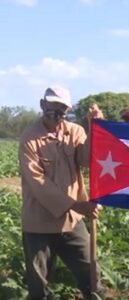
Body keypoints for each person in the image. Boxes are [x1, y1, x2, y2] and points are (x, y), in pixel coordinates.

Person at [19, 85, 104, 300]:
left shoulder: (75, 131)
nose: (56, 111)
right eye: (52, 105)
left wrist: (96, 128)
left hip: (71, 221)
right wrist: (76, 204)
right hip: (39, 222)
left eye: (62, 107)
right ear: (42, 104)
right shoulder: (29, 138)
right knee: (38, 286)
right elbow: (38, 182)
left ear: (68, 109)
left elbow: (86, 160)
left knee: (92, 276)